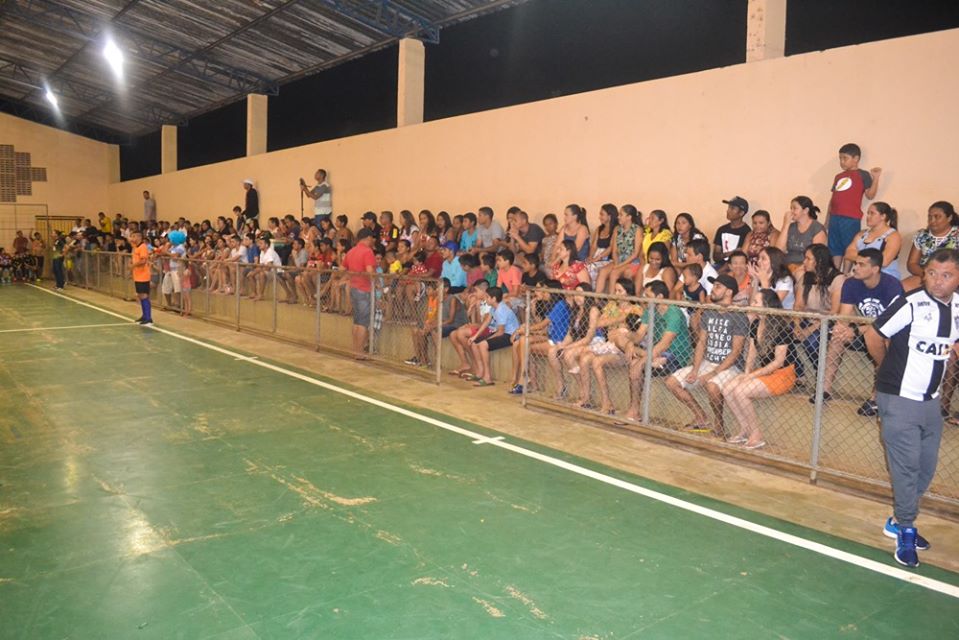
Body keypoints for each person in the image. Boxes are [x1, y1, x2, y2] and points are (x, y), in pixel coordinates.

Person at [869, 248, 959, 568]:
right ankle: (906, 528)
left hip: (930, 401)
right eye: (932, 273)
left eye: (946, 275)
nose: (937, 281)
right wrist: (886, 370)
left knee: (925, 467)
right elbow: (874, 335)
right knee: (906, 468)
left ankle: (897, 520)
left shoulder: (957, 307)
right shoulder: (910, 303)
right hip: (898, 397)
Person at [821, 248, 904, 415]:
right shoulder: (851, 283)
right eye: (856, 263)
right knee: (836, 338)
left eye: (861, 265)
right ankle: (824, 390)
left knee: (883, 341)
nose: (855, 268)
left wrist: (857, 330)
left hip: (889, 334)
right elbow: (844, 315)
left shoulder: (892, 286)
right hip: (864, 330)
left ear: (875, 269)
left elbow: (891, 322)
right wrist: (841, 329)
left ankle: (875, 399)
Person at [664, 274, 748, 437]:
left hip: (730, 366)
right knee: (672, 382)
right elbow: (701, 343)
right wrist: (695, 369)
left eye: (718, 286)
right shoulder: (710, 312)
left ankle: (719, 422)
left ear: (729, 292)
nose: (712, 290)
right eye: (713, 285)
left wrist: (712, 373)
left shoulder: (738, 315)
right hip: (707, 362)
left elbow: (736, 351)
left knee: (711, 385)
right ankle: (701, 417)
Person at [623, 280, 691, 422]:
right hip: (657, 352)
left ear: (659, 297)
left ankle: (634, 410)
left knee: (638, 365)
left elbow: (665, 344)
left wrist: (642, 362)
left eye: (648, 295)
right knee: (633, 355)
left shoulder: (674, 313)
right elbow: (639, 335)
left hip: (676, 354)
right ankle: (634, 410)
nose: (645, 298)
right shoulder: (650, 310)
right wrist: (629, 340)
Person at [826, 143, 882, 269]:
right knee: (834, 247)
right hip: (835, 217)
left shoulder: (863, 174)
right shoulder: (838, 176)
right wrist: (827, 220)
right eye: (840, 158)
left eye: (845, 158)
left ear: (856, 159)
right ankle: (835, 273)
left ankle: (846, 273)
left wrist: (876, 178)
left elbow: (870, 195)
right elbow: (833, 199)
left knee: (849, 246)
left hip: (850, 218)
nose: (842, 161)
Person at [508, 280, 569, 394]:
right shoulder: (549, 303)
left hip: (558, 340)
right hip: (550, 336)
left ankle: (524, 378)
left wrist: (526, 329)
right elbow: (544, 328)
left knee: (524, 344)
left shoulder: (560, 304)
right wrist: (526, 328)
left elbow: (543, 325)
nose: (543, 293)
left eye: (545, 291)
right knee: (522, 342)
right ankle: (529, 381)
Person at [468, 286, 520, 386]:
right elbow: (486, 322)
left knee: (482, 344)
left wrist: (486, 340)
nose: (485, 299)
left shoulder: (501, 310)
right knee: (474, 343)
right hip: (502, 333)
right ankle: (480, 373)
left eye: (487, 297)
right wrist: (475, 336)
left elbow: (500, 332)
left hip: (510, 335)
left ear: (494, 299)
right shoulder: (494, 307)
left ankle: (487, 378)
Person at [903, 201, 959, 290]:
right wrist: (927, 274)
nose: (932, 221)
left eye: (937, 217)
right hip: (925, 275)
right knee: (902, 287)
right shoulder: (922, 235)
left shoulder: (957, 235)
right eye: (930, 217)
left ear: (949, 218)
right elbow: (912, 263)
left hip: (951, 277)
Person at [341, 228, 378, 359]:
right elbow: (370, 271)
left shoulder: (351, 251)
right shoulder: (368, 252)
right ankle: (360, 352)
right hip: (364, 289)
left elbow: (342, 268)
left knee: (357, 321)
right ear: (368, 238)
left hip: (353, 287)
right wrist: (376, 283)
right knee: (363, 323)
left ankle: (355, 350)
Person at [843, 202, 902, 280]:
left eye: (872, 213)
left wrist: (859, 257)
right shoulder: (862, 234)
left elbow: (884, 261)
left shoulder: (894, 236)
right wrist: (871, 260)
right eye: (868, 213)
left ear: (883, 216)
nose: (868, 216)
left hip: (885, 277)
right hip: (861, 276)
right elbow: (848, 254)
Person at [775, 195, 828, 278]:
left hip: (806, 266)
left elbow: (816, 256)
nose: (791, 211)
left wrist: (796, 270)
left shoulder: (817, 228)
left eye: (795, 208)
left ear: (805, 210)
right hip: (788, 265)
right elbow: (778, 250)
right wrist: (786, 224)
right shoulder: (790, 227)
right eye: (791, 208)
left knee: (800, 275)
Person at [596, 204, 643, 293]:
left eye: (621, 215)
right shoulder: (617, 229)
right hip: (618, 260)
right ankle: (596, 298)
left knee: (614, 274)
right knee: (602, 271)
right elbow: (614, 250)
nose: (618, 217)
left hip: (631, 261)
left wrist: (619, 266)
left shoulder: (637, 230)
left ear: (629, 217)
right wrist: (617, 263)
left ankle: (612, 299)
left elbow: (635, 254)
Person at [713, 197, 751, 268]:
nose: (728, 211)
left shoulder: (747, 232)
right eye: (728, 208)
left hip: (736, 267)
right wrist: (730, 253)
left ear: (741, 213)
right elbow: (715, 256)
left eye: (732, 208)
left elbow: (741, 258)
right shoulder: (722, 229)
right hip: (719, 265)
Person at [130, 231, 153, 325]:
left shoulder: (143, 247)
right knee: (140, 295)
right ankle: (144, 316)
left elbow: (143, 261)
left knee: (144, 295)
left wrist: (133, 265)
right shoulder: (136, 247)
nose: (132, 238)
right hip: (137, 275)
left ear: (139, 237)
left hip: (143, 275)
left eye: (133, 236)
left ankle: (148, 318)